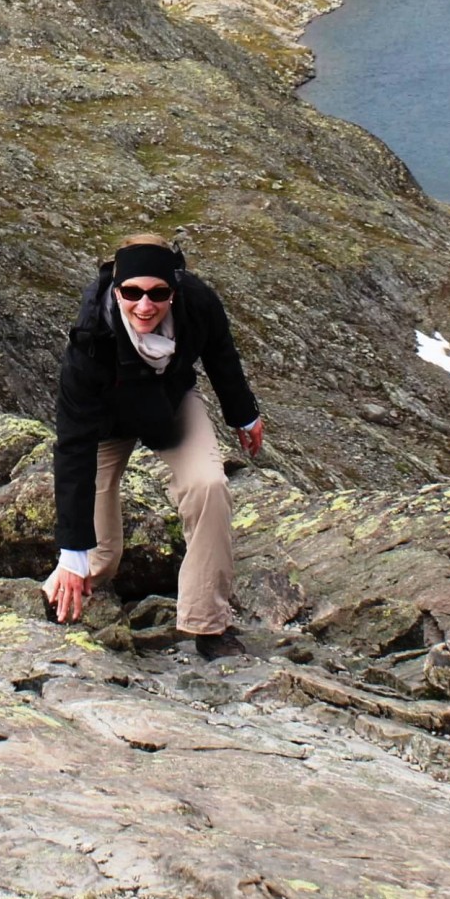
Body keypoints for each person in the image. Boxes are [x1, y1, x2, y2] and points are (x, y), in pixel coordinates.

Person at [46, 234, 264, 660]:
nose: (144, 306)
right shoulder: (90, 342)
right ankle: (59, 593)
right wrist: (72, 549)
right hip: (106, 424)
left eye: (157, 293)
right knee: (100, 556)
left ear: (174, 290)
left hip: (170, 402)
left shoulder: (197, 304)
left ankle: (209, 626)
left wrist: (244, 415)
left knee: (208, 487)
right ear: (116, 289)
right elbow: (73, 449)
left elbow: (221, 355)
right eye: (132, 293)